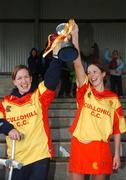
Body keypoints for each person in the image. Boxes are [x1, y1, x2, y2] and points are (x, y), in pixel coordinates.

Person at [68, 20, 126, 180]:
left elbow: (117, 129)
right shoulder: (85, 90)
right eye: (89, 72)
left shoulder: (113, 99)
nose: (91, 75)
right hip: (80, 145)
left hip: (101, 148)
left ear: (103, 74)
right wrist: (75, 38)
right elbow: (78, 65)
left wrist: (117, 155)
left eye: (94, 71)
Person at [0, 44, 62, 180]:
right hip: (16, 159)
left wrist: (56, 57)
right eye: (19, 78)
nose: (24, 81)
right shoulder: (5, 102)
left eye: (26, 77)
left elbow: (51, 80)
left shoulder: (38, 96)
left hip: (39, 157)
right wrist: (9, 129)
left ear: (31, 78)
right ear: (14, 82)